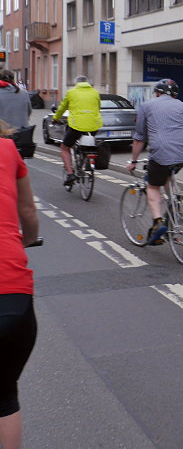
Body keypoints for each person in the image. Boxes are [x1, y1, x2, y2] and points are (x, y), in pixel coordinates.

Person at [0, 120, 39, 449]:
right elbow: (27, 209)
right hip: (13, 296)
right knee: (4, 395)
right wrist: (28, 240)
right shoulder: (8, 148)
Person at [127, 79, 183, 246]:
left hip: (161, 152)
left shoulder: (147, 106)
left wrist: (133, 161)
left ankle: (157, 223)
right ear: (175, 95)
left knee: (153, 186)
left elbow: (140, 137)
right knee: (168, 175)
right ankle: (175, 206)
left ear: (157, 92)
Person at [53, 76, 103, 188]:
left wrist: (56, 119)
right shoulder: (95, 92)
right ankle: (88, 162)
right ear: (88, 83)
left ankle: (70, 174)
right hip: (94, 126)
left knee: (65, 148)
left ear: (76, 83)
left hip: (76, 126)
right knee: (89, 146)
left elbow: (61, 108)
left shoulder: (71, 92)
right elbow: (98, 108)